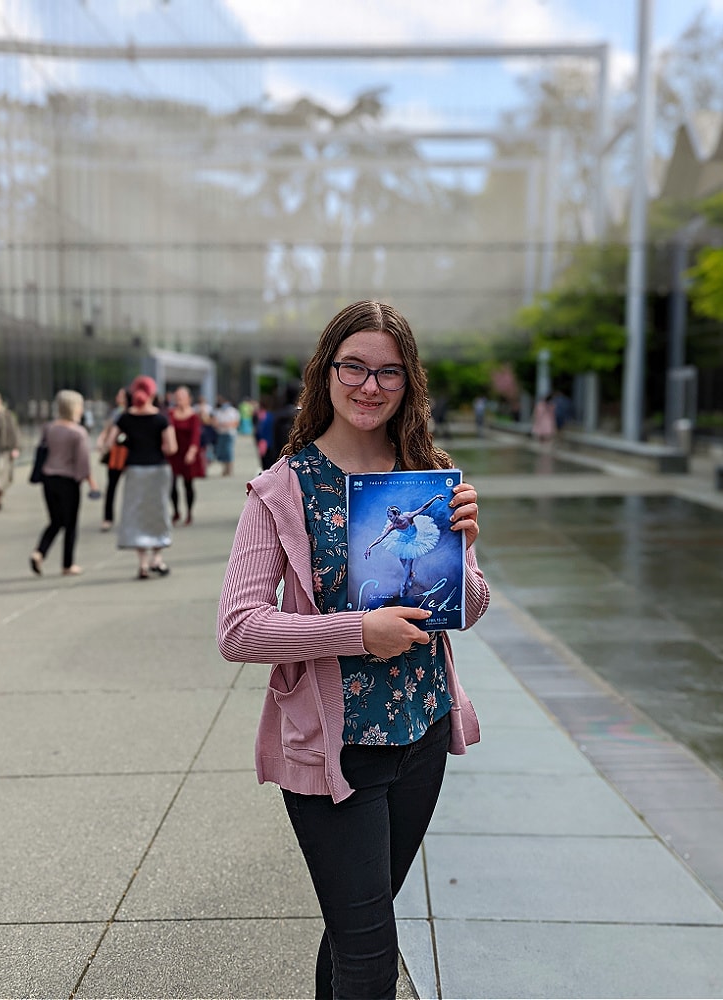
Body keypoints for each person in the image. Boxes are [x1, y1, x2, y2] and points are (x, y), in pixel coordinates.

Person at [217, 300, 490, 1000]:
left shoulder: (425, 474)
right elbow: (239, 628)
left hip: (423, 734)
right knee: (369, 960)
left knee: (356, 934)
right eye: (354, 367)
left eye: (388, 373)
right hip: (338, 752)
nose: (370, 386)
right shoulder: (283, 488)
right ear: (326, 372)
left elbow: (469, 607)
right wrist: (354, 633)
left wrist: (463, 553)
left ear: (408, 383)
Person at [105, 374, 177, 580]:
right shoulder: (162, 418)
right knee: (157, 511)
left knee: (136, 512)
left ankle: (143, 564)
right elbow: (171, 448)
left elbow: (113, 442)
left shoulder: (125, 418)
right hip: (157, 469)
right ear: (153, 393)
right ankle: (157, 558)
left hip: (135, 469)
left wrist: (127, 441)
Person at [30, 390, 98, 576]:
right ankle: (68, 564)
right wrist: (91, 482)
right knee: (70, 523)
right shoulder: (78, 432)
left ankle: (39, 552)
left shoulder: (49, 428)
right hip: (68, 479)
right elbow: (83, 461)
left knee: (55, 520)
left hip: (48, 477)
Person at [363, 493, 446, 597]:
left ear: (397, 514)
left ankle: (404, 584)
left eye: (390, 516)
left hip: (414, 539)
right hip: (403, 539)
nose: (389, 518)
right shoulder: (392, 526)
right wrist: (370, 546)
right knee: (402, 560)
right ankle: (410, 576)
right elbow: (381, 537)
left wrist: (435, 497)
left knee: (408, 563)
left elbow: (423, 507)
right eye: (388, 516)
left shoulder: (408, 517)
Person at [168, 385, 203, 525]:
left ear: (189, 399)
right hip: (173, 454)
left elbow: (196, 435)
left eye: (182, 398)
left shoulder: (193, 416)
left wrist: (192, 451)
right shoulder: (171, 414)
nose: (179, 400)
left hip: (188, 453)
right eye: (177, 398)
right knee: (171, 484)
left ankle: (189, 513)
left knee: (188, 484)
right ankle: (176, 511)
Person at [96, 387, 129, 531]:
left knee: (130, 486)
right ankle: (108, 517)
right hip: (116, 452)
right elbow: (109, 429)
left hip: (128, 451)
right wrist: (103, 441)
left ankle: (125, 517)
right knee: (112, 485)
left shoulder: (130, 413)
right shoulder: (116, 412)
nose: (118, 397)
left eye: (121, 395)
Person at [213, 395, 240, 476]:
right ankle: (224, 468)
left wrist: (225, 424)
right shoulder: (219, 411)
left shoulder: (233, 411)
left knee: (228, 451)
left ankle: (229, 468)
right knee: (222, 452)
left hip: (230, 434)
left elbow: (235, 423)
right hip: (221, 433)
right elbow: (215, 422)